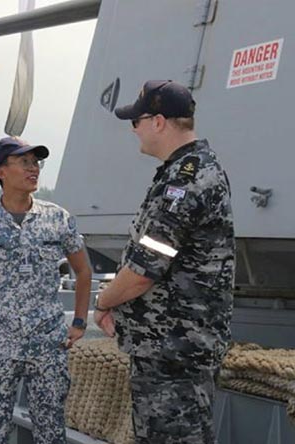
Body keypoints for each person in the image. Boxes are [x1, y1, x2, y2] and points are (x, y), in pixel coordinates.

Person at [95, 80, 235, 443]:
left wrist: (104, 301)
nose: (134, 130)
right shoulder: (188, 171)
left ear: (158, 122)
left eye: (136, 121)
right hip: (174, 347)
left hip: (174, 351)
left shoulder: (185, 181)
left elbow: (146, 269)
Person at [0, 136, 92, 444]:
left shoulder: (58, 219)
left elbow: (84, 270)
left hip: (47, 344)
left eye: (36, 163)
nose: (33, 169)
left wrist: (80, 322)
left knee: (51, 431)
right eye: (24, 162)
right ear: (1, 171)